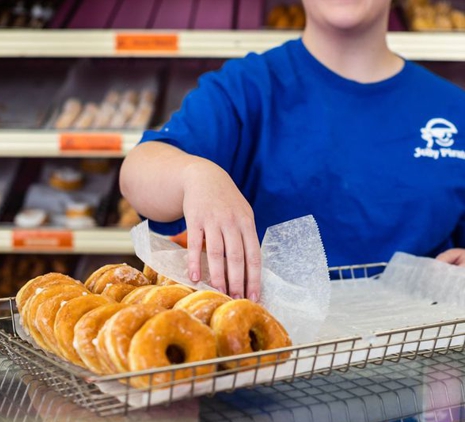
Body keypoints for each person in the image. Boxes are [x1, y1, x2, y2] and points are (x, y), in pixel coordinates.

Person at [120, 0, 465, 301]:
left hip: (422, 359)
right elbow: (138, 171)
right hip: (276, 359)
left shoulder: (453, 108)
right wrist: (194, 175)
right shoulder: (251, 86)